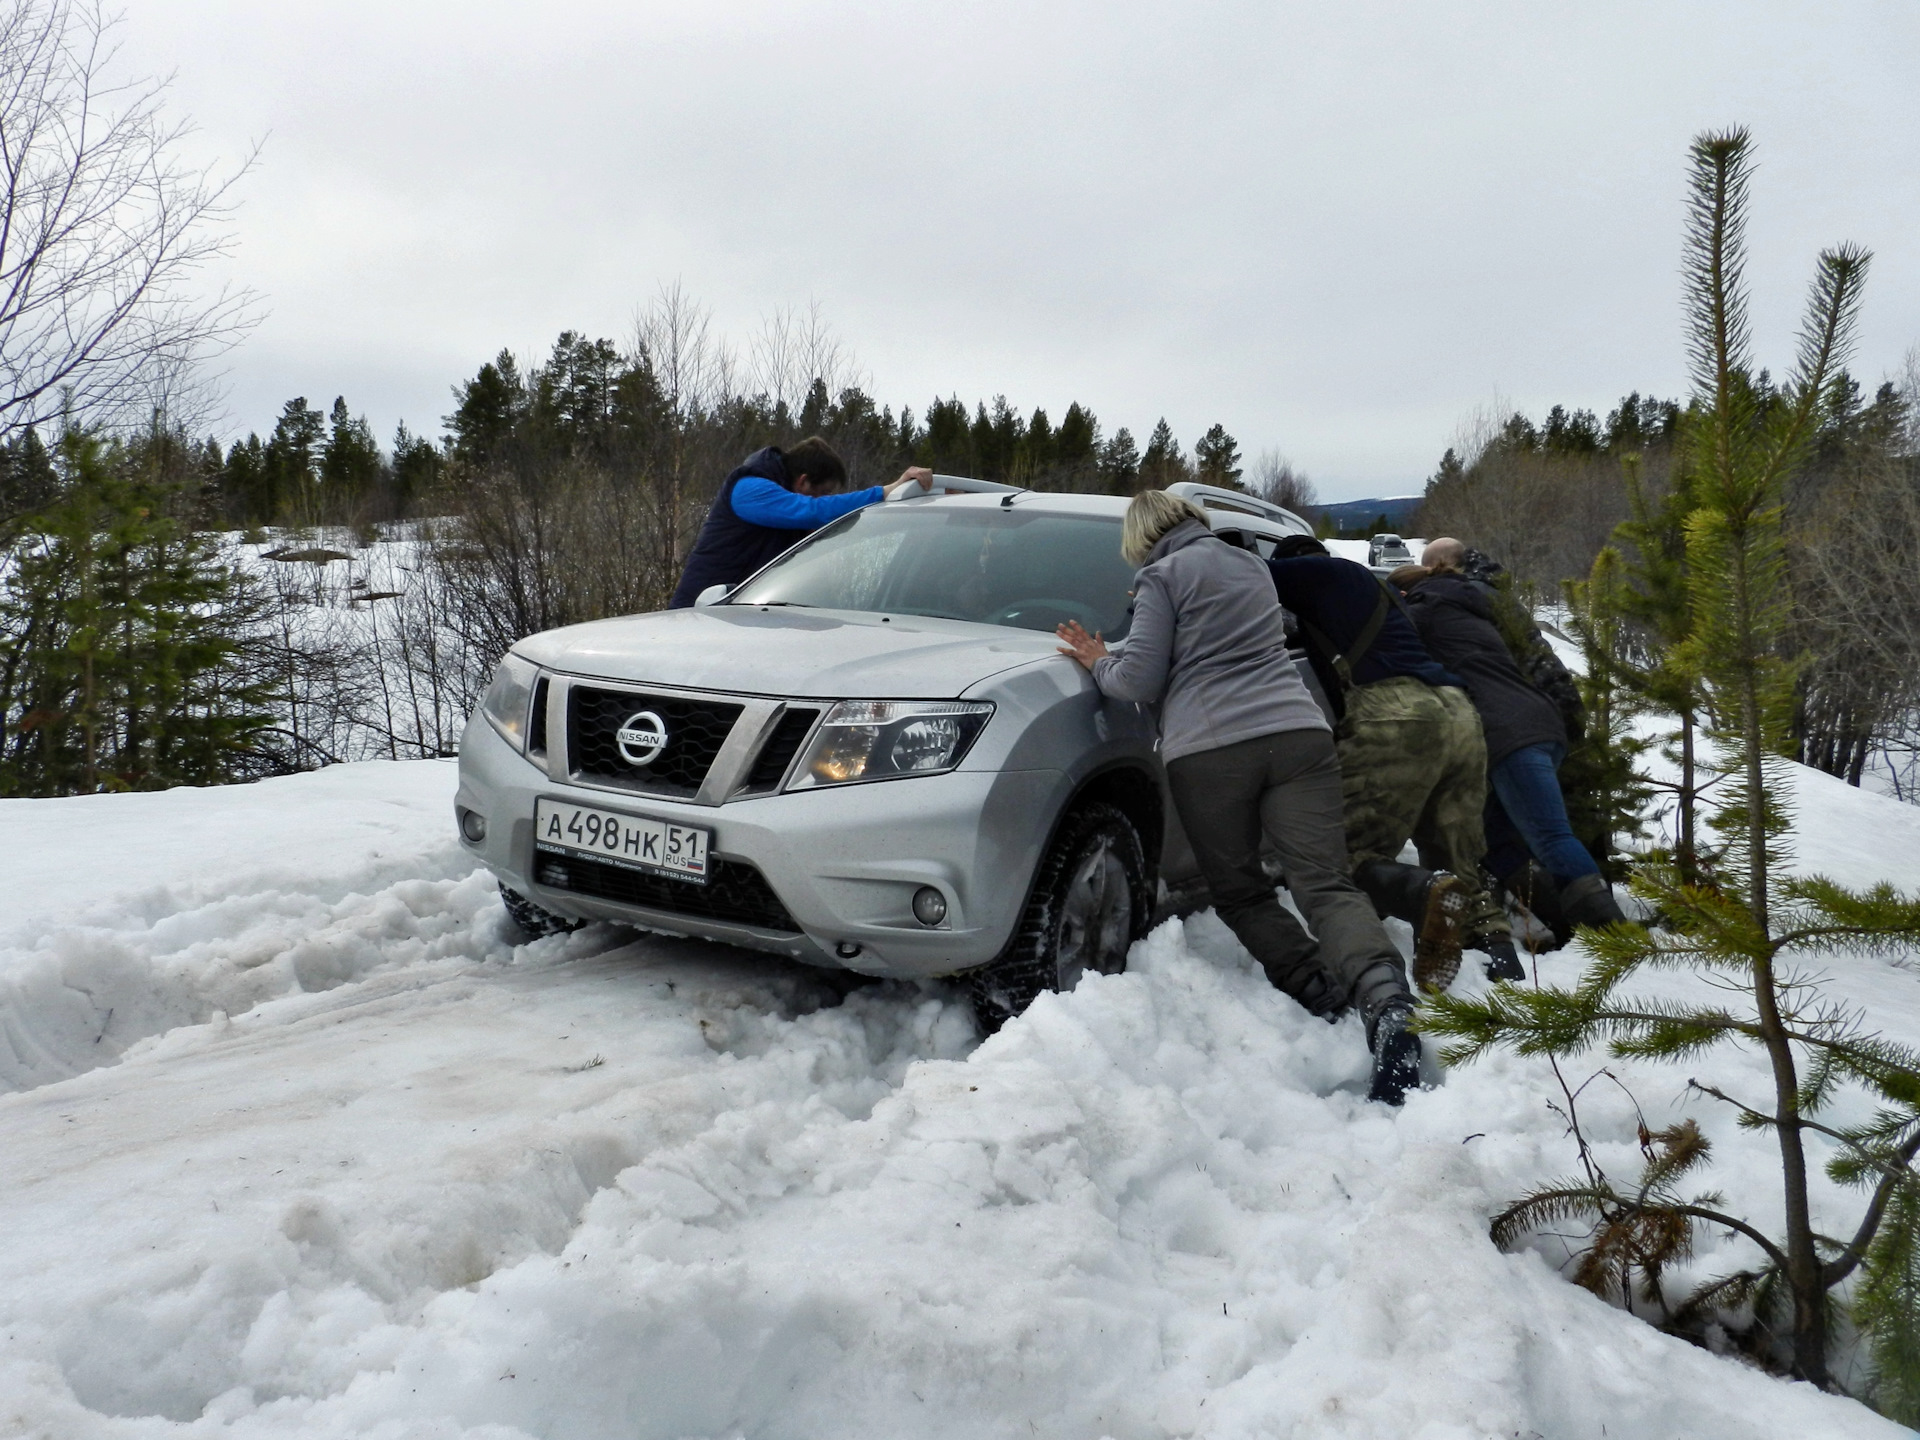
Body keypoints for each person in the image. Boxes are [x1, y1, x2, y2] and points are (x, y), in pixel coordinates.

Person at [1054, 490, 1423, 1105]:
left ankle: (1317, 987)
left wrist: (1097, 658)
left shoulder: (1159, 576)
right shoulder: (1250, 564)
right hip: (1299, 734)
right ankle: (1385, 1001)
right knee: (1325, 883)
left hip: (1212, 752)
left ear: (1140, 539)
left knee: (1242, 890)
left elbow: (1137, 679)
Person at [1267, 536, 1523, 985]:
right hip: (1457, 713)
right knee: (1457, 860)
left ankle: (1421, 896)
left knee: (1341, 856)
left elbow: (1238, 574)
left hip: (1398, 714)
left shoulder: (1319, 571)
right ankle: (1503, 970)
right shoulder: (1375, 592)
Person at [1404, 538, 1627, 932]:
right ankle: (1564, 924)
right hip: (1542, 716)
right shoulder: (1485, 603)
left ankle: (1616, 939)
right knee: (1496, 838)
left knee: (1551, 836)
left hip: (1509, 733)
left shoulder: (1428, 608)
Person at [668, 437, 933, 608]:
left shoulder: (784, 503)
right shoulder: (749, 489)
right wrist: (884, 492)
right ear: (804, 480)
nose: (822, 499)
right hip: (699, 611)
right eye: (822, 492)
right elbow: (813, 511)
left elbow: (825, 528)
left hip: (741, 612)